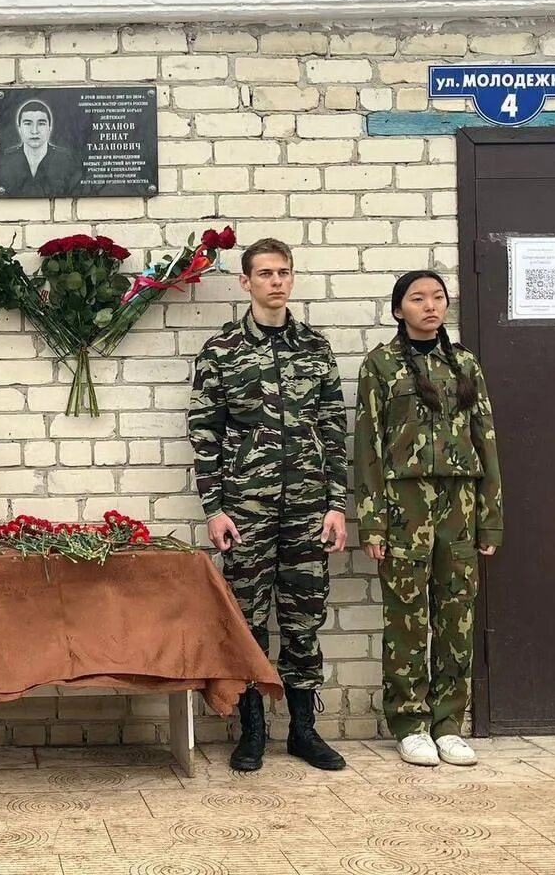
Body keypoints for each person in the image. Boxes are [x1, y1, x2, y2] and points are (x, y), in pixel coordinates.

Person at [188, 238, 348, 773]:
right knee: (248, 622)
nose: (276, 281)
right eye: (265, 273)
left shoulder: (316, 349)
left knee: (303, 622)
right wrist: (215, 507)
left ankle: (304, 731)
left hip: (308, 509)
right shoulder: (222, 350)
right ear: (246, 282)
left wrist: (336, 505)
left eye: (284, 272)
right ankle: (252, 732)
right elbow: (204, 432)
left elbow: (333, 430)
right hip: (246, 512)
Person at [353, 271, 503, 768]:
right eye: (418, 299)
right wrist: (372, 522)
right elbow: (368, 448)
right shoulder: (380, 365)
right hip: (404, 507)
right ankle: (410, 722)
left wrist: (490, 519)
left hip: (458, 507)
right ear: (399, 310)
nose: (430, 306)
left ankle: (448, 724)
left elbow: (487, 442)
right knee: (407, 618)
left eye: (438, 297)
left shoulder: (464, 364)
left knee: (457, 615)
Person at [0, 97, 82, 197]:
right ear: (19, 128)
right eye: (28, 123)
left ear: (49, 127)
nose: (34, 131)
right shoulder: (5, 159)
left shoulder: (67, 160)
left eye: (41, 124)